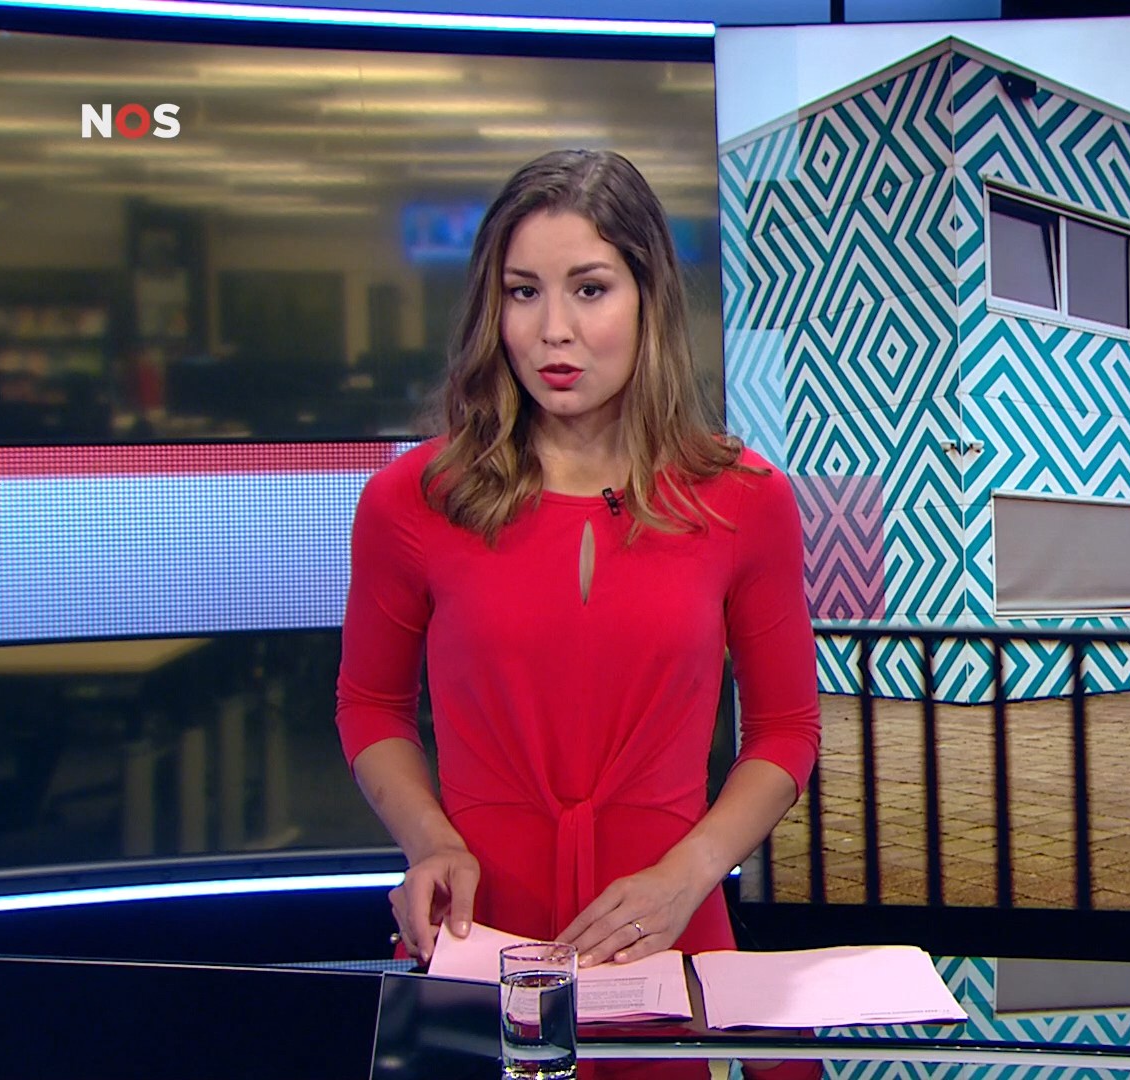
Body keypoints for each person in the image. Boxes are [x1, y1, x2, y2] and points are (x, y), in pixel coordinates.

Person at [335, 149, 820, 969]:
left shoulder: (744, 500)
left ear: (648, 299)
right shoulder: (410, 500)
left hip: (665, 939)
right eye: (523, 292)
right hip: (479, 938)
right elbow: (370, 707)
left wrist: (689, 875)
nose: (552, 330)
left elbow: (785, 731)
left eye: (589, 290)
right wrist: (429, 843)